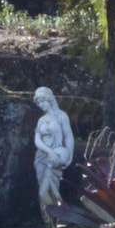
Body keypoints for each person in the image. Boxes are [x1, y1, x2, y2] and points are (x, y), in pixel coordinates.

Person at [32, 86, 74, 214]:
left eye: (43, 101)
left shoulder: (61, 116)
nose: (41, 105)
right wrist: (48, 151)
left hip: (57, 157)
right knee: (42, 189)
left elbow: (68, 136)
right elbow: (37, 140)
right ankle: (50, 218)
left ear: (50, 99)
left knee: (51, 187)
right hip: (42, 156)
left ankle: (57, 214)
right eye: (38, 102)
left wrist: (70, 155)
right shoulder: (41, 120)